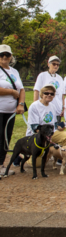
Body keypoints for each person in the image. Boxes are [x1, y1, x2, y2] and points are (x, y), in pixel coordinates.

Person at [0, 45, 25, 175]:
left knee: (6, 137)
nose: (4, 57)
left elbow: (21, 89)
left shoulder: (14, 72)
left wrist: (20, 103)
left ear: (11, 57)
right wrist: (11, 92)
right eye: (2, 55)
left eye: (7, 55)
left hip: (11, 111)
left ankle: (1, 164)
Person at [34, 55, 65, 122]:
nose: (56, 66)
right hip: (44, 108)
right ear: (48, 64)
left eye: (57, 64)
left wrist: (63, 108)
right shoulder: (42, 75)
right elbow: (36, 90)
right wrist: (35, 105)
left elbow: (62, 94)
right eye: (54, 64)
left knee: (57, 130)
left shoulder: (60, 78)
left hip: (57, 109)